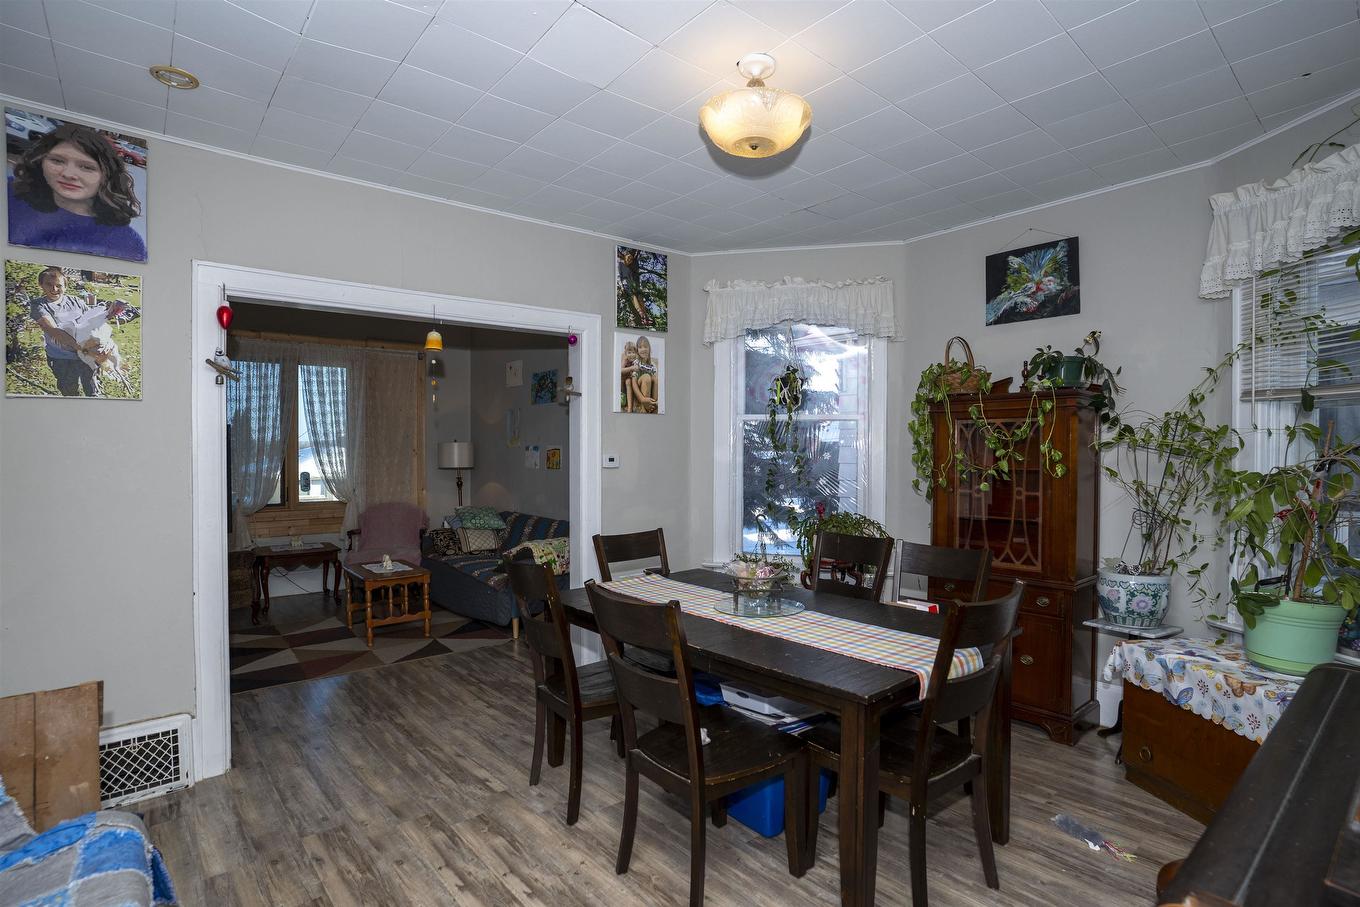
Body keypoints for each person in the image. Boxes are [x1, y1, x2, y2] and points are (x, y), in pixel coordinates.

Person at [8, 123, 146, 262]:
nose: (68, 174)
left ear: (106, 176)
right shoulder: (9, 194)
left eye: (86, 167)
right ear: (41, 161)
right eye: (57, 161)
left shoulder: (126, 242)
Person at [27, 266, 125, 397]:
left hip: (87, 358)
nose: (54, 289)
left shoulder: (76, 301)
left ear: (65, 286)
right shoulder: (38, 305)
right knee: (70, 391)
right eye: (49, 284)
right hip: (62, 359)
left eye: (59, 285)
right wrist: (84, 348)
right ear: (41, 285)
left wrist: (110, 314)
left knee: (93, 389)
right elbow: (54, 331)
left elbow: (92, 322)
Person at [631, 335, 658, 414]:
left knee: (655, 379)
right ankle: (643, 406)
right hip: (639, 390)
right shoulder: (637, 362)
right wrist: (642, 398)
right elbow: (634, 383)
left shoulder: (652, 365)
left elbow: (655, 382)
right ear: (637, 350)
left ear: (649, 349)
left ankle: (652, 404)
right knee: (646, 377)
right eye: (640, 347)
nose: (643, 349)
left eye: (645, 346)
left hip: (648, 388)